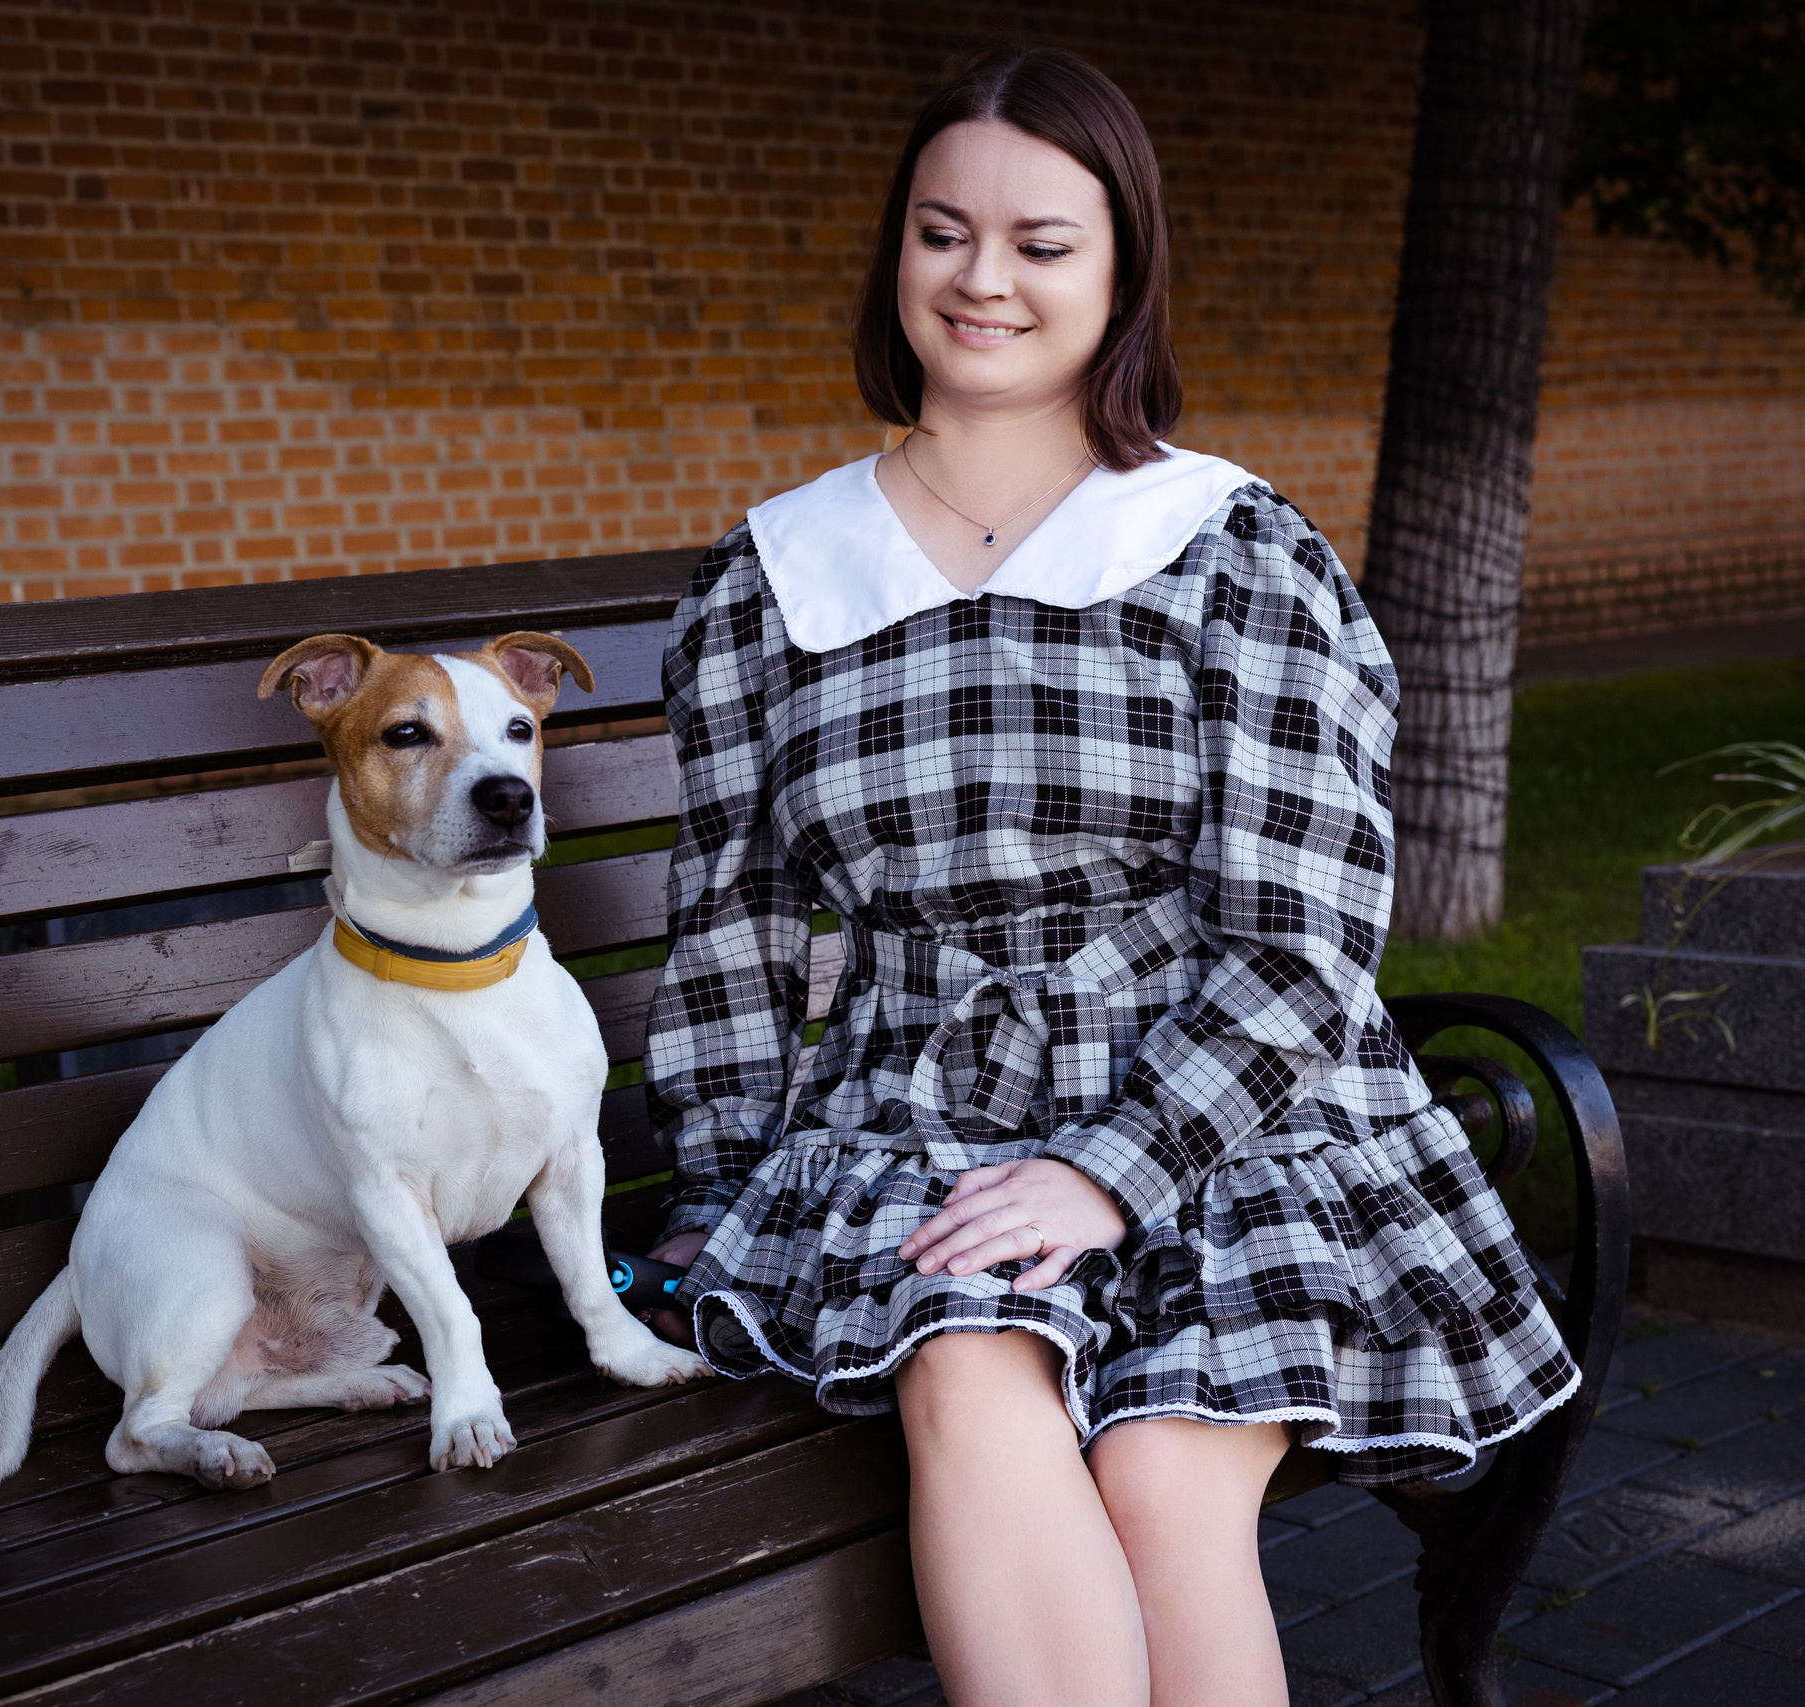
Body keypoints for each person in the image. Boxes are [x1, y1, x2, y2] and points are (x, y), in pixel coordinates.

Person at [640, 45, 1577, 1707]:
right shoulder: (773, 580)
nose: (982, 278)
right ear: (896, 255)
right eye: (942, 232)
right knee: (967, 1359)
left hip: (1228, 1107)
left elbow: (1302, 937)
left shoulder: (1231, 550)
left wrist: (1111, 1171)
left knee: (1166, 1468)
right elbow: (734, 933)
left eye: (1041, 242)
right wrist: (720, 1191)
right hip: (918, 1110)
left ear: (1124, 270)